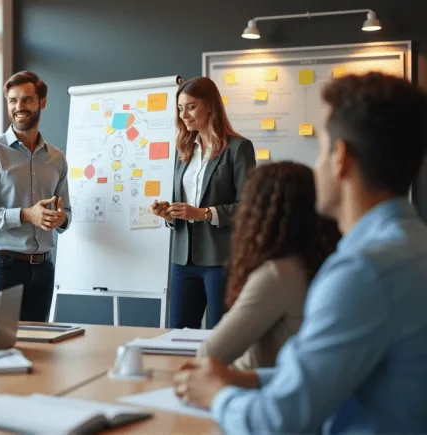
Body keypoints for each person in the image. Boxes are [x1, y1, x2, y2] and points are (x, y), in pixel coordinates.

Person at [171, 72, 427, 434]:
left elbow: (277, 421)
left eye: (320, 148)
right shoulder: (412, 244)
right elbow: (328, 376)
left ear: (340, 158)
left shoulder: (361, 272)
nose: (315, 166)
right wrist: (246, 380)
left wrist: (216, 394)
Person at [196, 162, 340, 370]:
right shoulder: (320, 264)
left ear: (257, 214)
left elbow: (210, 354)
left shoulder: (277, 274)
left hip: (259, 385)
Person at [151, 76, 256, 329]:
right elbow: (184, 204)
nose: (184, 115)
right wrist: (170, 214)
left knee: (222, 334)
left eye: (191, 107)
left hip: (221, 259)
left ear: (210, 106)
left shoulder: (238, 148)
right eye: (180, 108)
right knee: (177, 333)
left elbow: (248, 207)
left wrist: (202, 213)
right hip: (183, 259)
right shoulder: (184, 150)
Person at [0, 70, 71, 322]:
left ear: (42, 103)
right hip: (2, 267)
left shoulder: (57, 158)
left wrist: (61, 219)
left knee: (37, 342)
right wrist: (26, 215)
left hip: (43, 269)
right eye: (12, 100)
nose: (18, 107)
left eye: (27, 99)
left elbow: (66, 212)